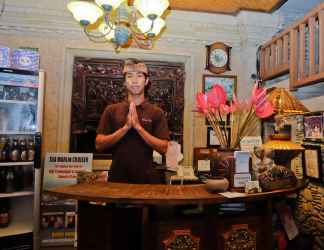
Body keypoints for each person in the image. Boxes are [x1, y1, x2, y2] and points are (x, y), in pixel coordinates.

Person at [96, 58, 169, 184]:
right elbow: (99, 144)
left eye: (139, 76)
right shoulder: (111, 110)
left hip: (146, 178)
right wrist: (125, 128)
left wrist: (138, 127)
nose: (135, 80)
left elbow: (164, 148)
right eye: (130, 76)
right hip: (117, 177)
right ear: (125, 82)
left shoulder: (156, 112)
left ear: (146, 81)